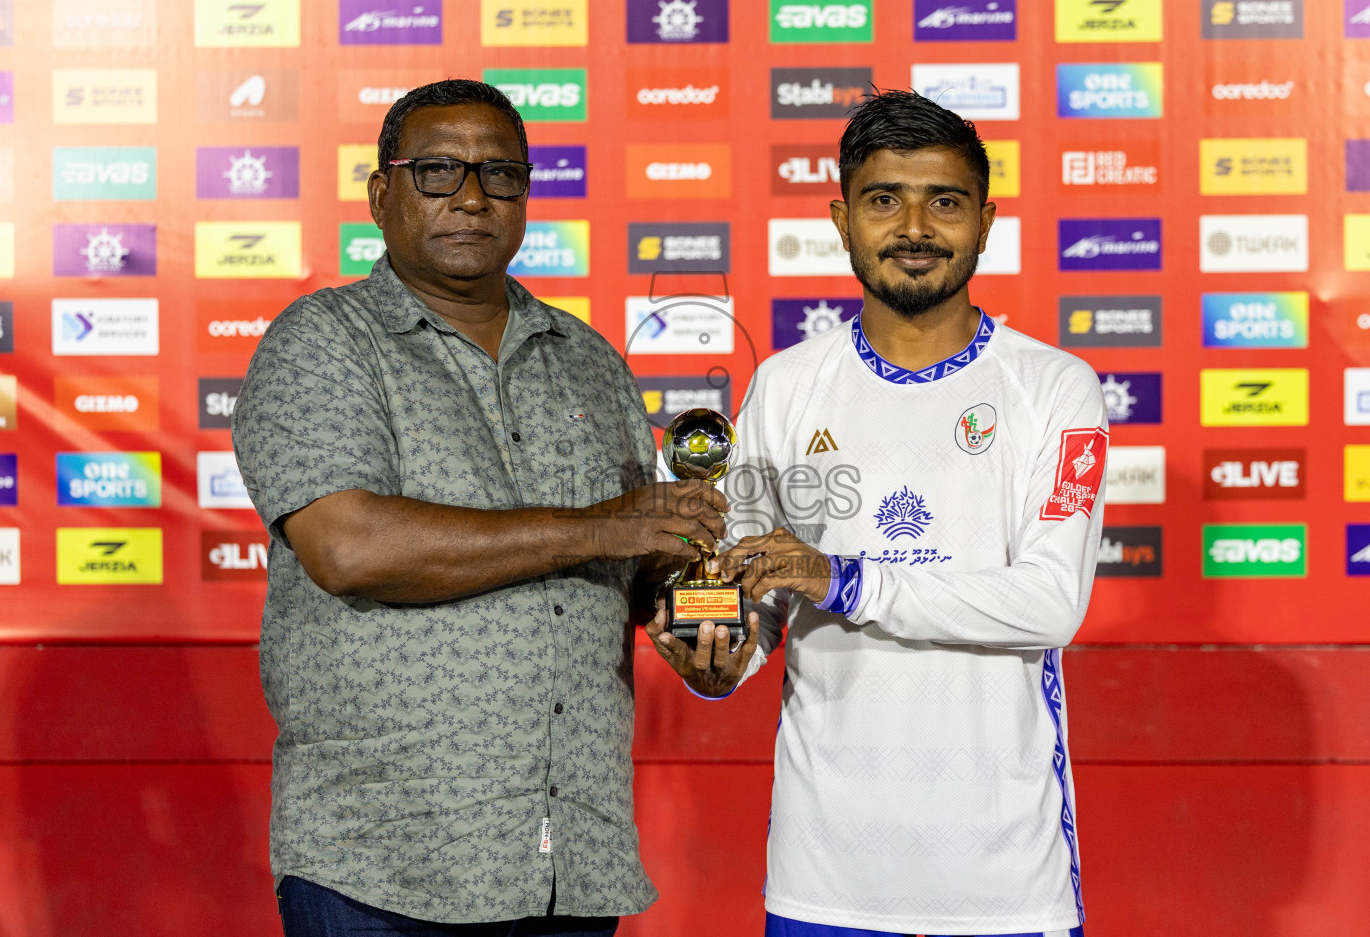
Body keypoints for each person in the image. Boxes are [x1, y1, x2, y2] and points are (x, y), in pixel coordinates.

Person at [232, 79, 725, 937]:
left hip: (570, 855)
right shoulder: (322, 340)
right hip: (383, 861)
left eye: (500, 175)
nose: (470, 196)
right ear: (382, 195)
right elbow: (349, 546)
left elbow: (629, 570)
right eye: (437, 172)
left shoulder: (590, 360)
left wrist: (699, 620)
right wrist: (604, 524)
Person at [646, 89, 1107, 937]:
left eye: (946, 201)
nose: (916, 227)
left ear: (987, 220)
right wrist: (720, 655)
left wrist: (847, 577)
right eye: (884, 199)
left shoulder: (1053, 388)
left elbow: (1050, 603)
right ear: (841, 217)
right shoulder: (785, 385)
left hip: (1003, 879)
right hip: (824, 873)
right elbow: (758, 590)